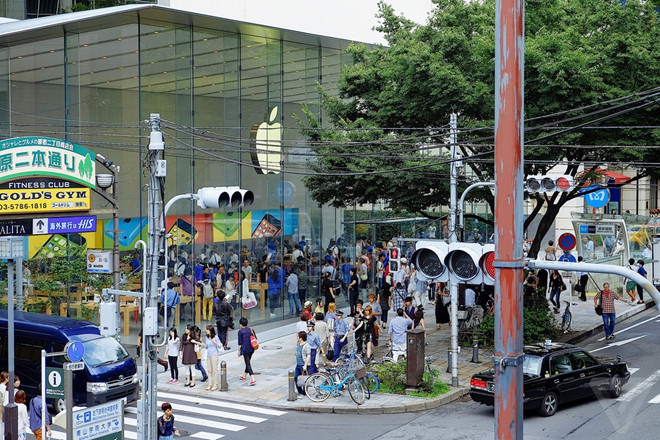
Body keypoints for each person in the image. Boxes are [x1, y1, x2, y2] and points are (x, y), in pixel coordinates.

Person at [237, 317, 256, 385]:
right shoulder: (251, 329)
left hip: (245, 349)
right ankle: (244, 375)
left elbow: (240, 343)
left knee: (248, 363)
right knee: (248, 362)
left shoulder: (240, 331)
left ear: (241, 324)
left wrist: (239, 351)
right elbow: (255, 338)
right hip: (252, 348)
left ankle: (252, 378)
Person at [295, 331, 311, 395]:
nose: (297, 337)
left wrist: (305, 365)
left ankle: (304, 392)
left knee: (304, 379)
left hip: (303, 365)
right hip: (298, 364)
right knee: (296, 378)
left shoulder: (306, 345)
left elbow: (308, 355)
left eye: (298, 336)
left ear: (301, 338)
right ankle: (300, 391)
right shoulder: (298, 344)